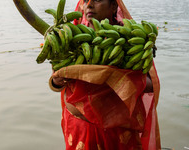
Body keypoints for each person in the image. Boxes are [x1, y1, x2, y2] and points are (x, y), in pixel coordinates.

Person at [49, 0, 161, 149]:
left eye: (97, 0)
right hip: (80, 129)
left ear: (114, 6)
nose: (89, 5)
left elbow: (150, 84)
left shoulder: (129, 40)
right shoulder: (71, 38)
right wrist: (57, 80)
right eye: (86, 1)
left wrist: (115, 77)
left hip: (117, 131)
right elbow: (55, 83)